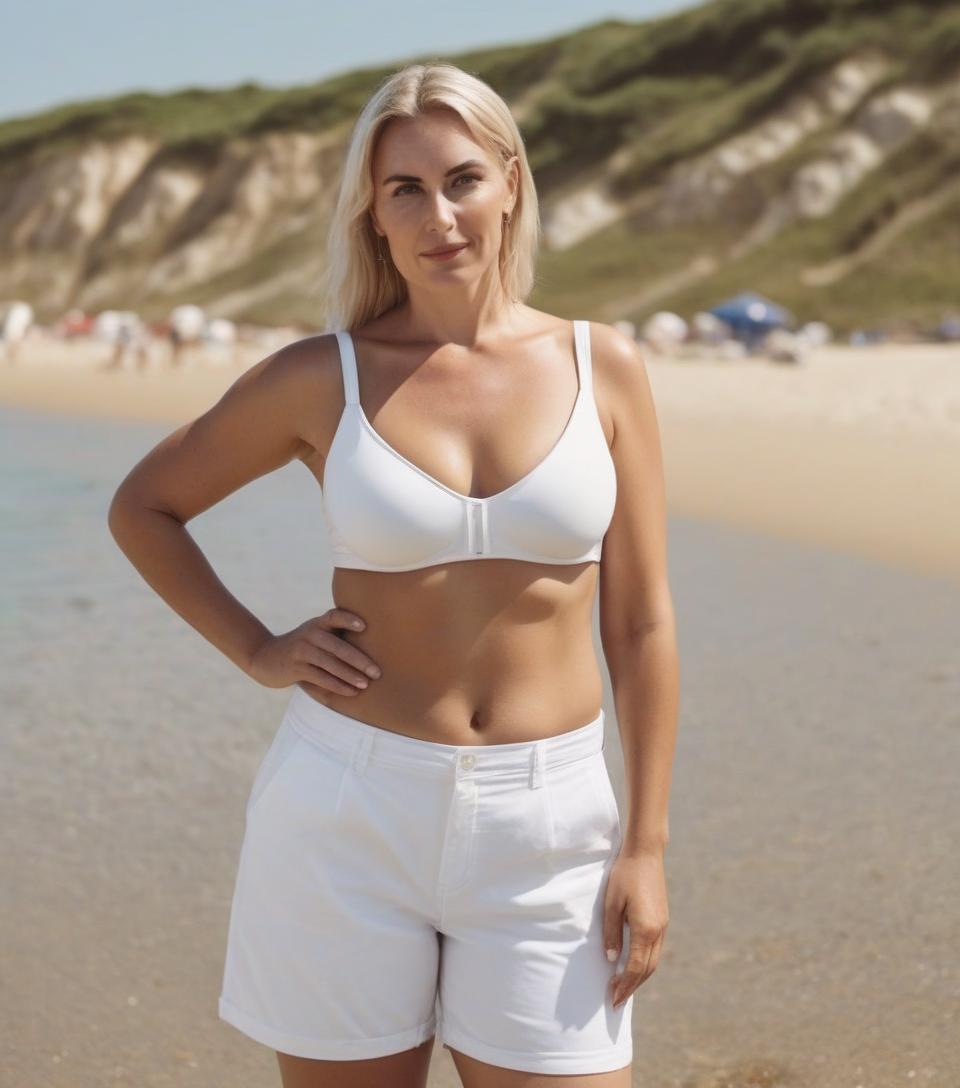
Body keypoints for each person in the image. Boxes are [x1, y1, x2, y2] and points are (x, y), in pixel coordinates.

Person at [107, 61, 679, 1088]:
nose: (438, 214)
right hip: (346, 810)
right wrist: (256, 647)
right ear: (371, 215)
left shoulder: (606, 365)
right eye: (403, 189)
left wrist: (645, 843)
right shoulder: (320, 376)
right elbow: (144, 506)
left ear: (509, 180)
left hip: (550, 820)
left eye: (461, 179)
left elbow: (640, 626)